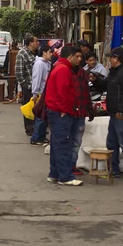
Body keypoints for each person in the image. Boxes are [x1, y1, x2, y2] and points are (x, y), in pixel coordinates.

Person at [45, 45, 83, 186]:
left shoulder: (59, 67)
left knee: (57, 144)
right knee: (62, 144)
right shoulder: (63, 69)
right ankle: (65, 176)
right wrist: (64, 110)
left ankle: (55, 173)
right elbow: (62, 93)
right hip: (60, 112)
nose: (79, 59)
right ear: (70, 56)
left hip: (56, 111)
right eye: (76, 56)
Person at [92, 47, 123, 180]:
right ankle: (114, 170)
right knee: (112, 143)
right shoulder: (113, 72)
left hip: (121, 115)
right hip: (114, 114)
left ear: (116, 59)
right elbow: (105, 87)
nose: (109, 60)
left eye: (111, 57)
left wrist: (122, 111)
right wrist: (96, 80)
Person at [71, 48, 94, 176]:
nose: (79, 59)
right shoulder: (66, 72)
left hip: (81, 114)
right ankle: (65, 166)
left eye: (81, 57)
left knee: (77, 142)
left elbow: (86, 93)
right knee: (67, 141)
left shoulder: (84, 74)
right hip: (69, 113)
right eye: (77, 56)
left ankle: (72, 165)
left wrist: (90, 110)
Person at [15, 36, 39, 135]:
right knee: (28, 107)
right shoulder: (22, 53)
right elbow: (18, 72)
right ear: (30, 43)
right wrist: (25, 84)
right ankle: (29, 128)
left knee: (37, 108)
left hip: (36, 87)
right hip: (28, 86)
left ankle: (37, 128)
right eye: (36, 41)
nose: (38, 43)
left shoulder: (36, 54)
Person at [30, 45, 53, 146]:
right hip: (40, 93)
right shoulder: (39, 64)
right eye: (49, 52)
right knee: (40, 116)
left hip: (46, 93)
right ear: (44, 52)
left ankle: (42, 137)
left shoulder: (47, 63)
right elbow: (36, 79)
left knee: (44, 116)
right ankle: (35, 138)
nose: (51, 54)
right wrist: (35, 94)